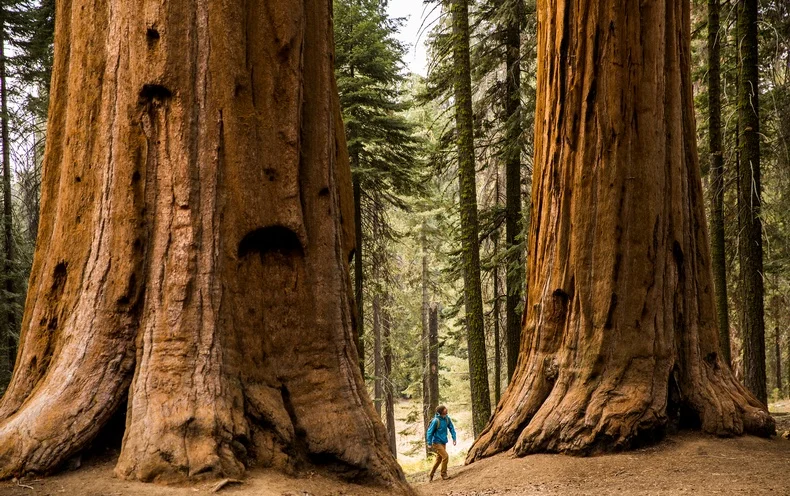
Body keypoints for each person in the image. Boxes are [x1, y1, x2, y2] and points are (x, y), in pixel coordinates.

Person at [425, 405, 456, 481]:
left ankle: (431, 474)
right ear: (441, 411)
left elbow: (451, 428)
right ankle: (443, 474)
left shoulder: (447, 419)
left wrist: (454, 438)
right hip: (436, 442)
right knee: (445, 456)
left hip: (443, 442)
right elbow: (429, 432)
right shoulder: (436, 421)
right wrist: (429, 443)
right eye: (444, 409)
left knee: (438, 460)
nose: (446, 409)